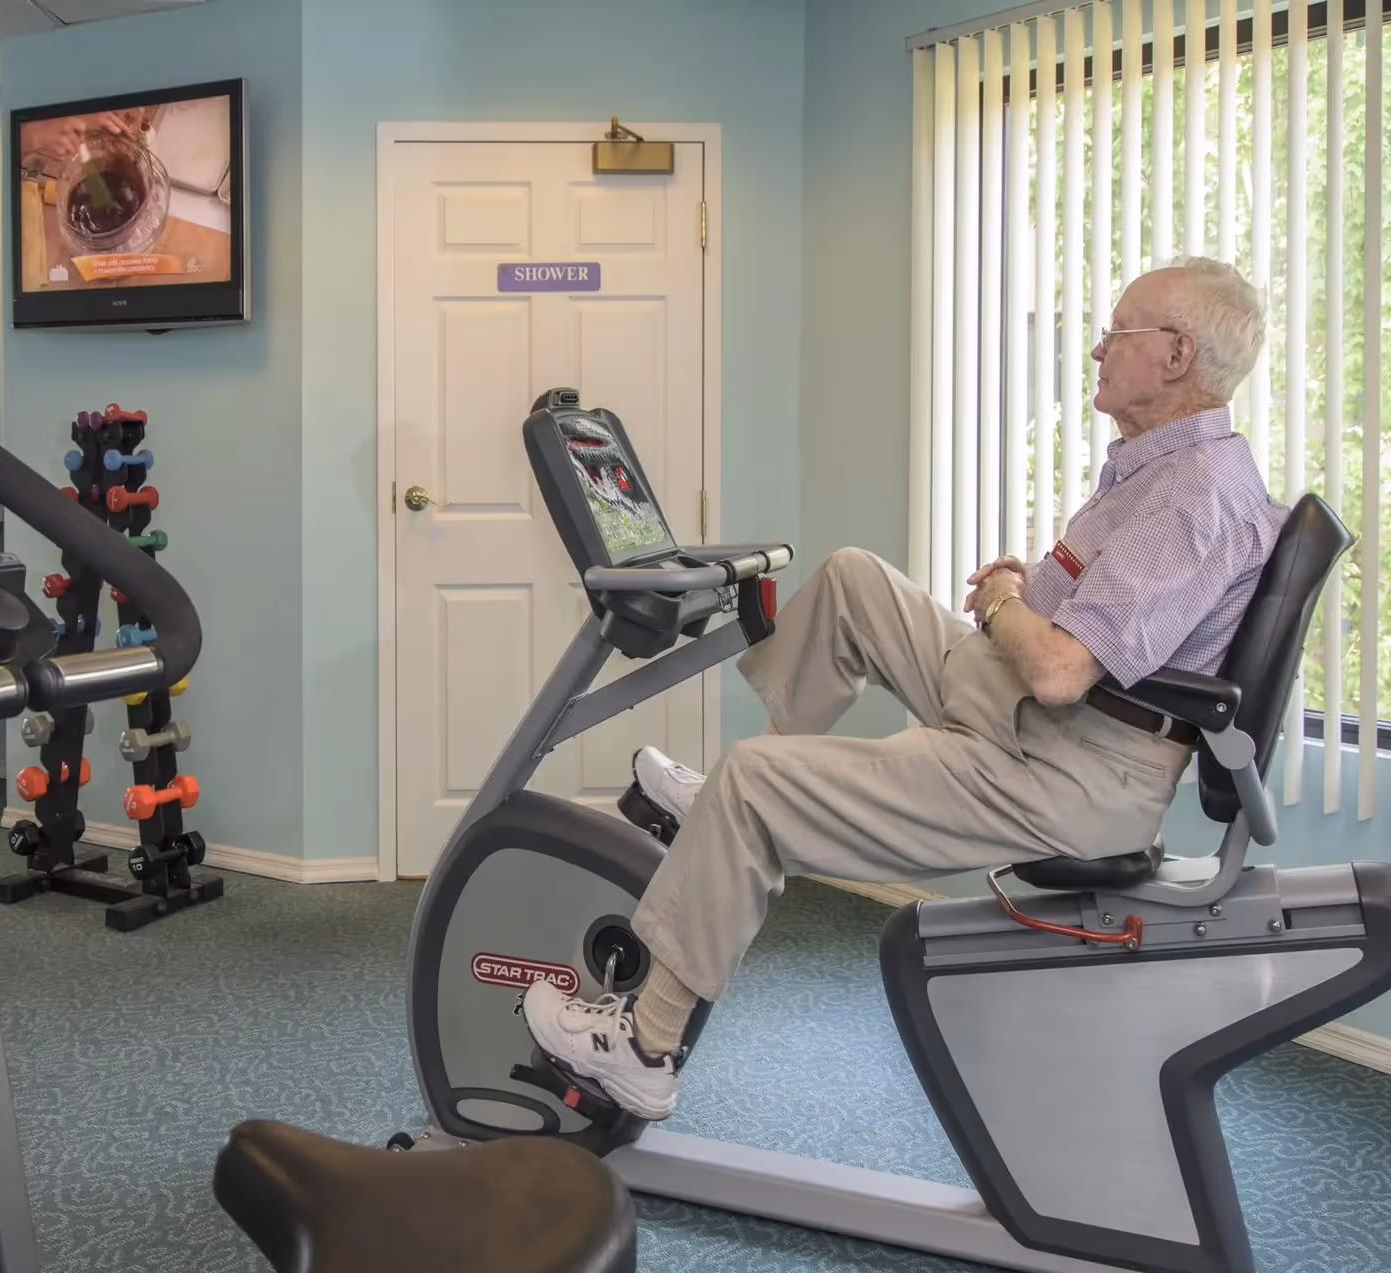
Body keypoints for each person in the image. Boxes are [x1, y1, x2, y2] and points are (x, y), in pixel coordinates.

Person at [523, 256, 1289, 1122]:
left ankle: (642, 1049)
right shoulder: (1158, 471)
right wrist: (1027, 588)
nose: (1098, 350)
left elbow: (1060, 670)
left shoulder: (1194, 498)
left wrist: (1003, 601)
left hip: (1069, 768)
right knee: (854, 580)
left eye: (1119, 333)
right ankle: (725, 820)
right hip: (1034, 718)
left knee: (750, 783)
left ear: (1177, 354)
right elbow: (1087, 631)